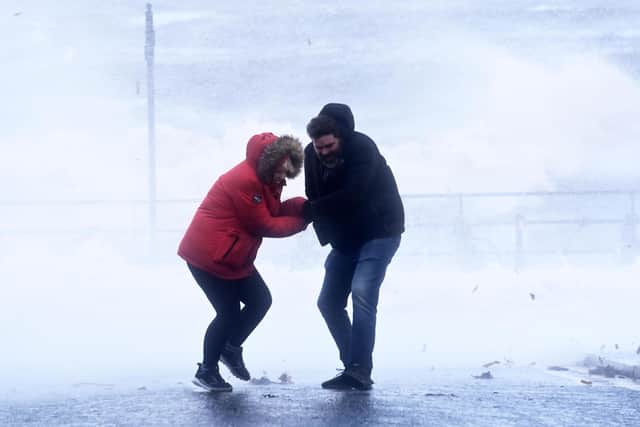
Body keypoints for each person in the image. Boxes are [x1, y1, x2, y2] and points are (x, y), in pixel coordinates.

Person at [178, 132, 307, 392]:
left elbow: (272, 211)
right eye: (281, 169)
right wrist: (304, 221)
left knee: (260, 300)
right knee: (227, 312)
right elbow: (263, 224)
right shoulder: (245, 181)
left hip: (233, 255)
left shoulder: (268, 180)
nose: (285, 175)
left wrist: (304, 207)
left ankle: (230, 348)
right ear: (269, 163)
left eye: (287, 169)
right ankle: (207, 371)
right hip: (208, 256)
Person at [302, 103, 405, 390]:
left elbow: (354, 195)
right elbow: (313, 194)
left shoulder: (363, 148)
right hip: (347, 237)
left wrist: (312, 210)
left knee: (362, 291)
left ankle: (361, 369)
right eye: (318, 147)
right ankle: (353, 365)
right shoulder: (311, 154)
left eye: (329, 146)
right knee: (328, 302)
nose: (324, 152)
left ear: (342, 137)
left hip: (380, 232)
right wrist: (317, 219)